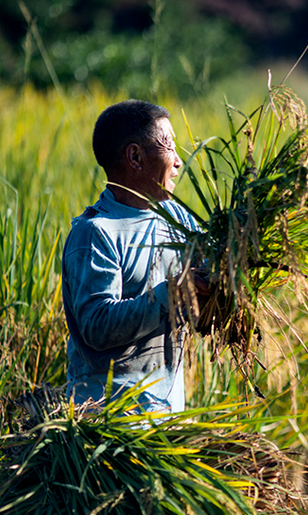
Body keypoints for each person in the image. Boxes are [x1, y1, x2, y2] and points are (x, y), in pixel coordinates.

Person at [61, 99, 207, 416]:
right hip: (108, 427)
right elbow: (97, 326)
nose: (180, 162)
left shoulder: (179, 219)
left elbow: (204, 284)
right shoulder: (96, 234)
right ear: (135, 157)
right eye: (170, 147)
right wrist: (174, 294)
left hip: (168, 418)